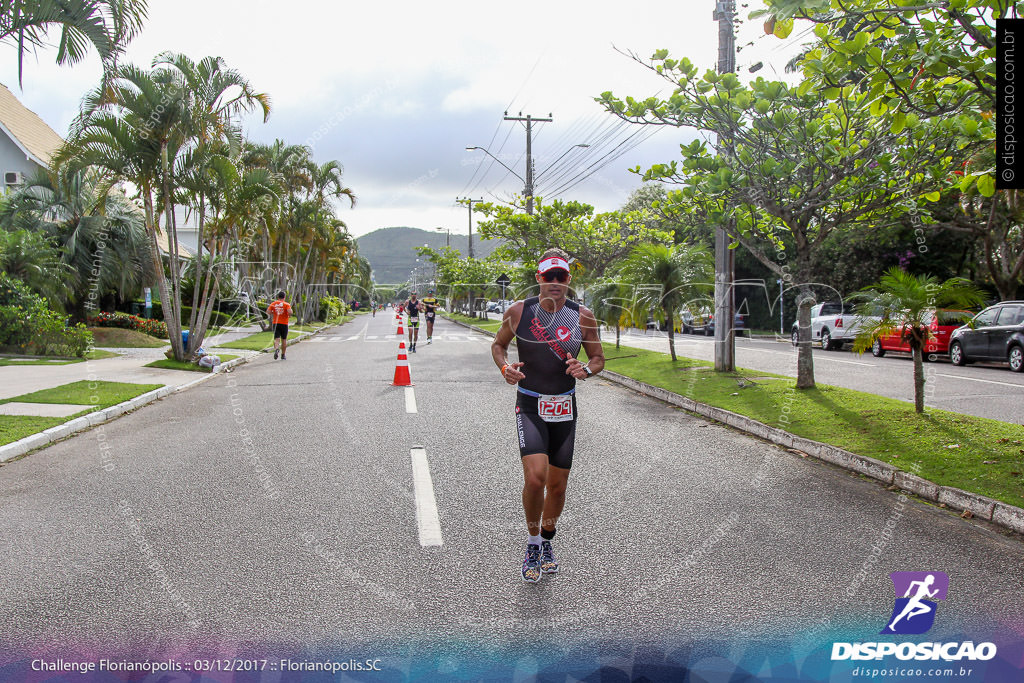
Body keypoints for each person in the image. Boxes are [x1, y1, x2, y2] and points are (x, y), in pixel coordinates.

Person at [490, 248, 605, 583]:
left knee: (557, 486)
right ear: (539, 278)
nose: (555, 282)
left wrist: (585, 369)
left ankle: (547, 540)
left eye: (562, 276)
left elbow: (598, 358)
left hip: (564, 406)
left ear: (569, 279)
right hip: (529, 403)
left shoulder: (582, 315)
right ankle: (531, 543)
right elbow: (499, 346)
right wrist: (505, 367)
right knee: (536, 478)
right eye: (548, 276)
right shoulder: (518, 311)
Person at [267, 290, 292, 360]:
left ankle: (276, 349)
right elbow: (290, 312)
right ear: (284, 297)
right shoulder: (286, 304)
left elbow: (268, 311)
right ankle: (283, 355)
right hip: (284, 324)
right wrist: (288, 315)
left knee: (277, 338)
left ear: (278, 297)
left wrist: (274, 312)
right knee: (284, 339)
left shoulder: (273, 303)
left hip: (276, 323)